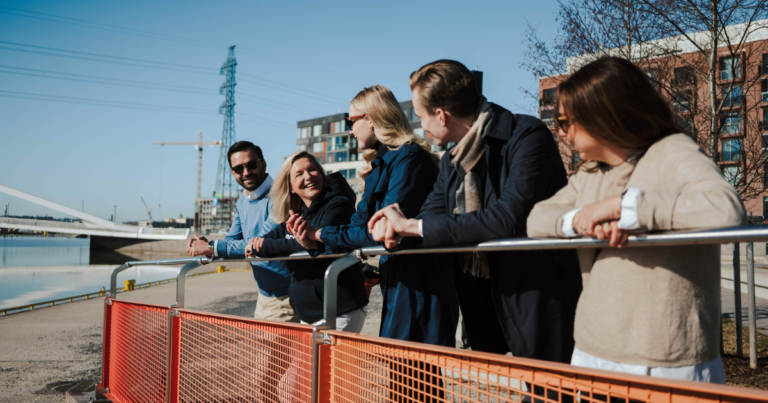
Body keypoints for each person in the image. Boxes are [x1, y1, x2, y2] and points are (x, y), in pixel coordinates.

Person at [524, 57, 746, 383]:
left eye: (565, 120)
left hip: (667, 360)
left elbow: (727, 210)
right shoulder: (590, 173)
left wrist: (624, 208)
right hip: (591, 350)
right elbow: (536, 219)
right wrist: (582, 221)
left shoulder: (674, 151)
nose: (561, 131)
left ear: (602, 114)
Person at [368, 60, 582, 364]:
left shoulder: (526, 136)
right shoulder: (451, 161)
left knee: (550, 392)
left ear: (441, 116)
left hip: (540, 298)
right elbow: (428, 218)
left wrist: (411, 227)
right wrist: (393, 230)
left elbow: (507, 218)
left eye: (420, 116)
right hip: (488, 304)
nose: (421, 126)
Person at [290, 84, 460, 347]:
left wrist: (321, 234)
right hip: (397, 279)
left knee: (416, 378)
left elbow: (385, 229)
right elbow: (359, 226)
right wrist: (316, 239)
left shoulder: (409, 158)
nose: (349, 129)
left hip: (423, 282)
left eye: (351, 121)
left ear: (371, 119)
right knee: (401, 375)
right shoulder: (378, 166)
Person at [245, 151, 368, 332]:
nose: (308, 176)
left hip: (339, 309)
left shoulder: (338, 205)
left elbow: (303, 242)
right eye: (299, 174)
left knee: (331, 361)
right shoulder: (299, 211)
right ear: (291, 187)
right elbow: (275, 237)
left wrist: (262, 247)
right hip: (309, 311)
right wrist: (256, 243)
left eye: (312, 170)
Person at [186, 141, 296, 323]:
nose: (246, 173)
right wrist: (208, 245)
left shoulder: (280, 196)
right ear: (232, 173)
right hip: (263, 295)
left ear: (263, 164)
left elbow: (260, 243)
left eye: (251, 165)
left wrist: (211, 247)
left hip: (285, 296)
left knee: (269, 352)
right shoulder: (243, 200)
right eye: (238, 169)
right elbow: (232, 240)